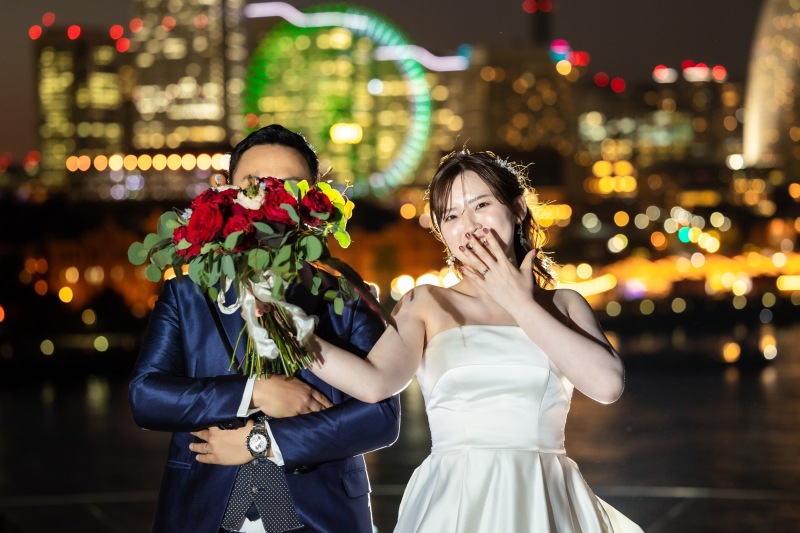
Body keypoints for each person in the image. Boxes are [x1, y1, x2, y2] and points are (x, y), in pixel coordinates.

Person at [305, 149, 643, 532]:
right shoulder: (426, 302)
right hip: (456, 501)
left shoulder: (564, 304)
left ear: (517, 207)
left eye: (481, 204)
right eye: (451, 215)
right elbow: (374, 382)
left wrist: (519, 300)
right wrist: (292, 335)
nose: (468, 224)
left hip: (546, 500)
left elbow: (607, 385)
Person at [129, 124, 400, 533]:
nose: (270, 201)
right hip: (204, 514)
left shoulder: (346, 296)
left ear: (314, 200)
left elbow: (381, 417)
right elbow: (146, 396)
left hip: (319, 518)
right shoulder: (187, 295)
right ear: (226, 194)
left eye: (288, 187)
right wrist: (254, 392)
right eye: (255, 185)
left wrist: (262, 442)